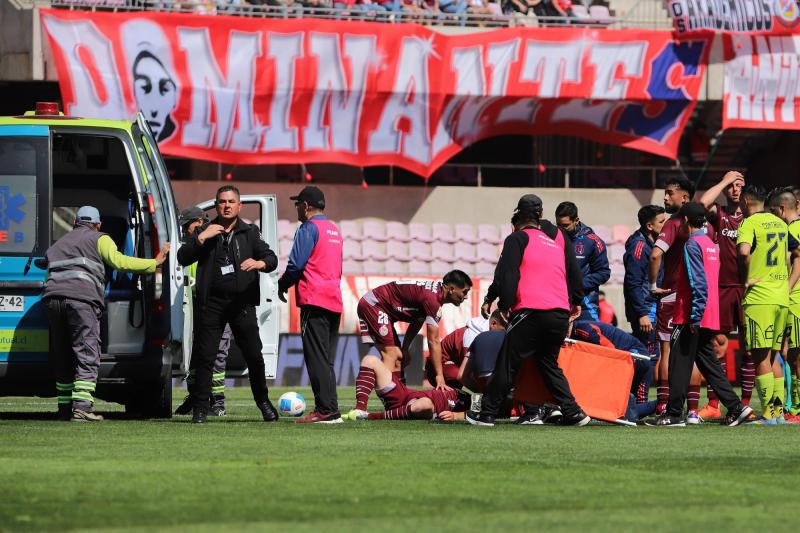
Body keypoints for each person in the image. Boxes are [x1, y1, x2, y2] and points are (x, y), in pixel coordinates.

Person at [466, 194, 588, 427]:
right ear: (541, 214)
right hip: (560, 312)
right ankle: (574, 413)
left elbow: (508, 274)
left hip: (533, 310)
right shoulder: (555, 240)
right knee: (547, 364)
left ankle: (487, 414)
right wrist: (576, 301)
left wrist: (503, 305)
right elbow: (574, 273)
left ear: (517, 219)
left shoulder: (518, 239)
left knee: (507, 363)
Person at [42, 206, 169, 421]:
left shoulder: (60, 242)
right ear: (98, 224)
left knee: (63, 354)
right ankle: (82, 407)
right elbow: (119, 262)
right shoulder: (100, 238)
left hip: (52, 299)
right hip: (81, 299)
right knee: (87, 351)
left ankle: (64, 408)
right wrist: (154, 263)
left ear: (75, 223)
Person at [177, 186, 279, 424]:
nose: (227, 205)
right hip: (212, 304)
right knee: (205, 357)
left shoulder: (250, 232)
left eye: (231, 201)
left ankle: (264, 403)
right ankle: (200, 409)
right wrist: (201, 238)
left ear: (239, 205)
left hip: (242, 303)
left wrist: (259, 263)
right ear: (216, 205)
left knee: (255, 356)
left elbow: (272, 258)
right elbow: (182, 257)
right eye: (222, 201)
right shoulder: (205, 230)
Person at [654, 202, 753, 427]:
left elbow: (698, 283)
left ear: (686, 221)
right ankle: (737, 407)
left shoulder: (691, 244)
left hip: (691, 315)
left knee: (679, 362)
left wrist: (694, 316)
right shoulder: (711, 244)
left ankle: (674, 413)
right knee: (709, 364)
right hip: (710, 313)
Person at [349, 272, 472, 416]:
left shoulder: (433, 297)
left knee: (399, 356)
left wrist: (405, 347)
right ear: (451, 289)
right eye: (464, 292)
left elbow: (417, 321)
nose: (466, 296)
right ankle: (376, 406)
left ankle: (399, 401)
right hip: (374, 305)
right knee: (392, 354)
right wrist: (439, 376)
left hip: (383, 309)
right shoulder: (432, 300)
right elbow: (433, 341)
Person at [277, 186, 344, 424]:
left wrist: (282, 284)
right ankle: (331, 409)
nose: (296, 207)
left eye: (298, 204)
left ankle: (325, 410)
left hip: (314, 299)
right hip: (334, 300)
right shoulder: (334, 230)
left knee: (316, 358)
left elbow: (295, 265)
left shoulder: (308, 228)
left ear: (305, 206)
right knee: (325, 359)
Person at [697, 170, 753, 419]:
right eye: (731, 185)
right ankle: (713, 404)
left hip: (749, 287)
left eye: (739, 185)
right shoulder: (718, 214)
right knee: (717, 345)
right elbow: (701, 204)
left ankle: (745, 404)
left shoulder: (753, 217)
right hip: (721, 287)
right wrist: (724, 180)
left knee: (750, 347)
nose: (734, 189)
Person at [737, 185, 792, 423]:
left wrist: (746, 278)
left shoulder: (749, 223)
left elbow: (744, 252)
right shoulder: (780, 223)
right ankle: (778, 413)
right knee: (774, 357)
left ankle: (770, 413)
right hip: (781, 297)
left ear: (747, 202)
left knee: (759, 358)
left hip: (760, 297)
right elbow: (793, 254)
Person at [174, 207, 232, 417]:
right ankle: (196, 397)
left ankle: (217, 402)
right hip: (197, 309)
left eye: (186, 226)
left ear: (199, 222)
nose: (185, 232)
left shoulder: (216, 242)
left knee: (216, 355)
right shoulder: (192, 246)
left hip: (218, 307)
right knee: (194, 356)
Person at [649, 177, 695, 416]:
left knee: (667, 350)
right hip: (697, 294)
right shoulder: (703, 223)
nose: (665, 198)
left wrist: (652, 284)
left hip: (672, 293)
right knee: (694, 351)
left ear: (684, 197)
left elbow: (655, 255)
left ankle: (665, 406)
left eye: (669, 193)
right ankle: (694, 411)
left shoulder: (673, 223)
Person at [343, 354, 471, 422]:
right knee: (369, 360)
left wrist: (455, 416)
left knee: (421, 405)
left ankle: (368, 416)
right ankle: (360, 409)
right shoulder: (471, 396)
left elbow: (485, 413)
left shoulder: (475, 401)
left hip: (423, 405)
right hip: (407, 396)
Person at [623, 205, 665, 405]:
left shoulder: (653, 242)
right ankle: (638, 401)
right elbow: (633, 283)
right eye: (661, 222)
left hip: (650, 306)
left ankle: (633, 399)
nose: (664, 225)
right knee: (647, 356)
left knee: (649, 355)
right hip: (645, 309)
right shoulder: (639, 247)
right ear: (649, 226)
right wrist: (642, 313)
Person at [767, 188, 800, 422]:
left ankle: (795, 409)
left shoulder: (790, 231)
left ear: (781, 209)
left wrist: (785, 288)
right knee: (787, 354)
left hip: (794, 300)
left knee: (794, 355)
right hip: (790, 300)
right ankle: (788, 406)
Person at [555, 201, 611, 322]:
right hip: (557, 302)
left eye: (565, 225)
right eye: (558, 225)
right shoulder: (552, 238)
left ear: (576, 220)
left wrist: (577, 284)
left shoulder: (593, 242)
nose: (561, 230)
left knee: (591, 338)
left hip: (584, 304)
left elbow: (603, 273)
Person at [423, 311, 508, 388]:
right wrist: (485, 392)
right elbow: (463, 375)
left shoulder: (484, 332)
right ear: (493, 323)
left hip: (452, 365)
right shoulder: (473, 336)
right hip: (436, 369)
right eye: (502, 331)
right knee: (467, 376)